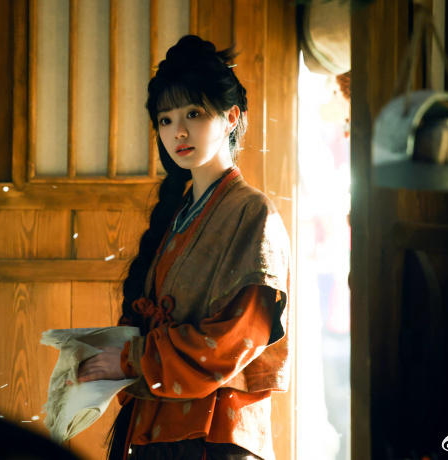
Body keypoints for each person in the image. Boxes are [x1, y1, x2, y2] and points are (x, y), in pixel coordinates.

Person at [76, 35, 291, 460]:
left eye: (194, 113)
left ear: (230, 118)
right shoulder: (177, 215)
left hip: (216, 433)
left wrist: (131, 360)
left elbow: (236, 337)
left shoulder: (253, 213)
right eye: (166, 119)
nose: (178, 131)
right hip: (158, 428)